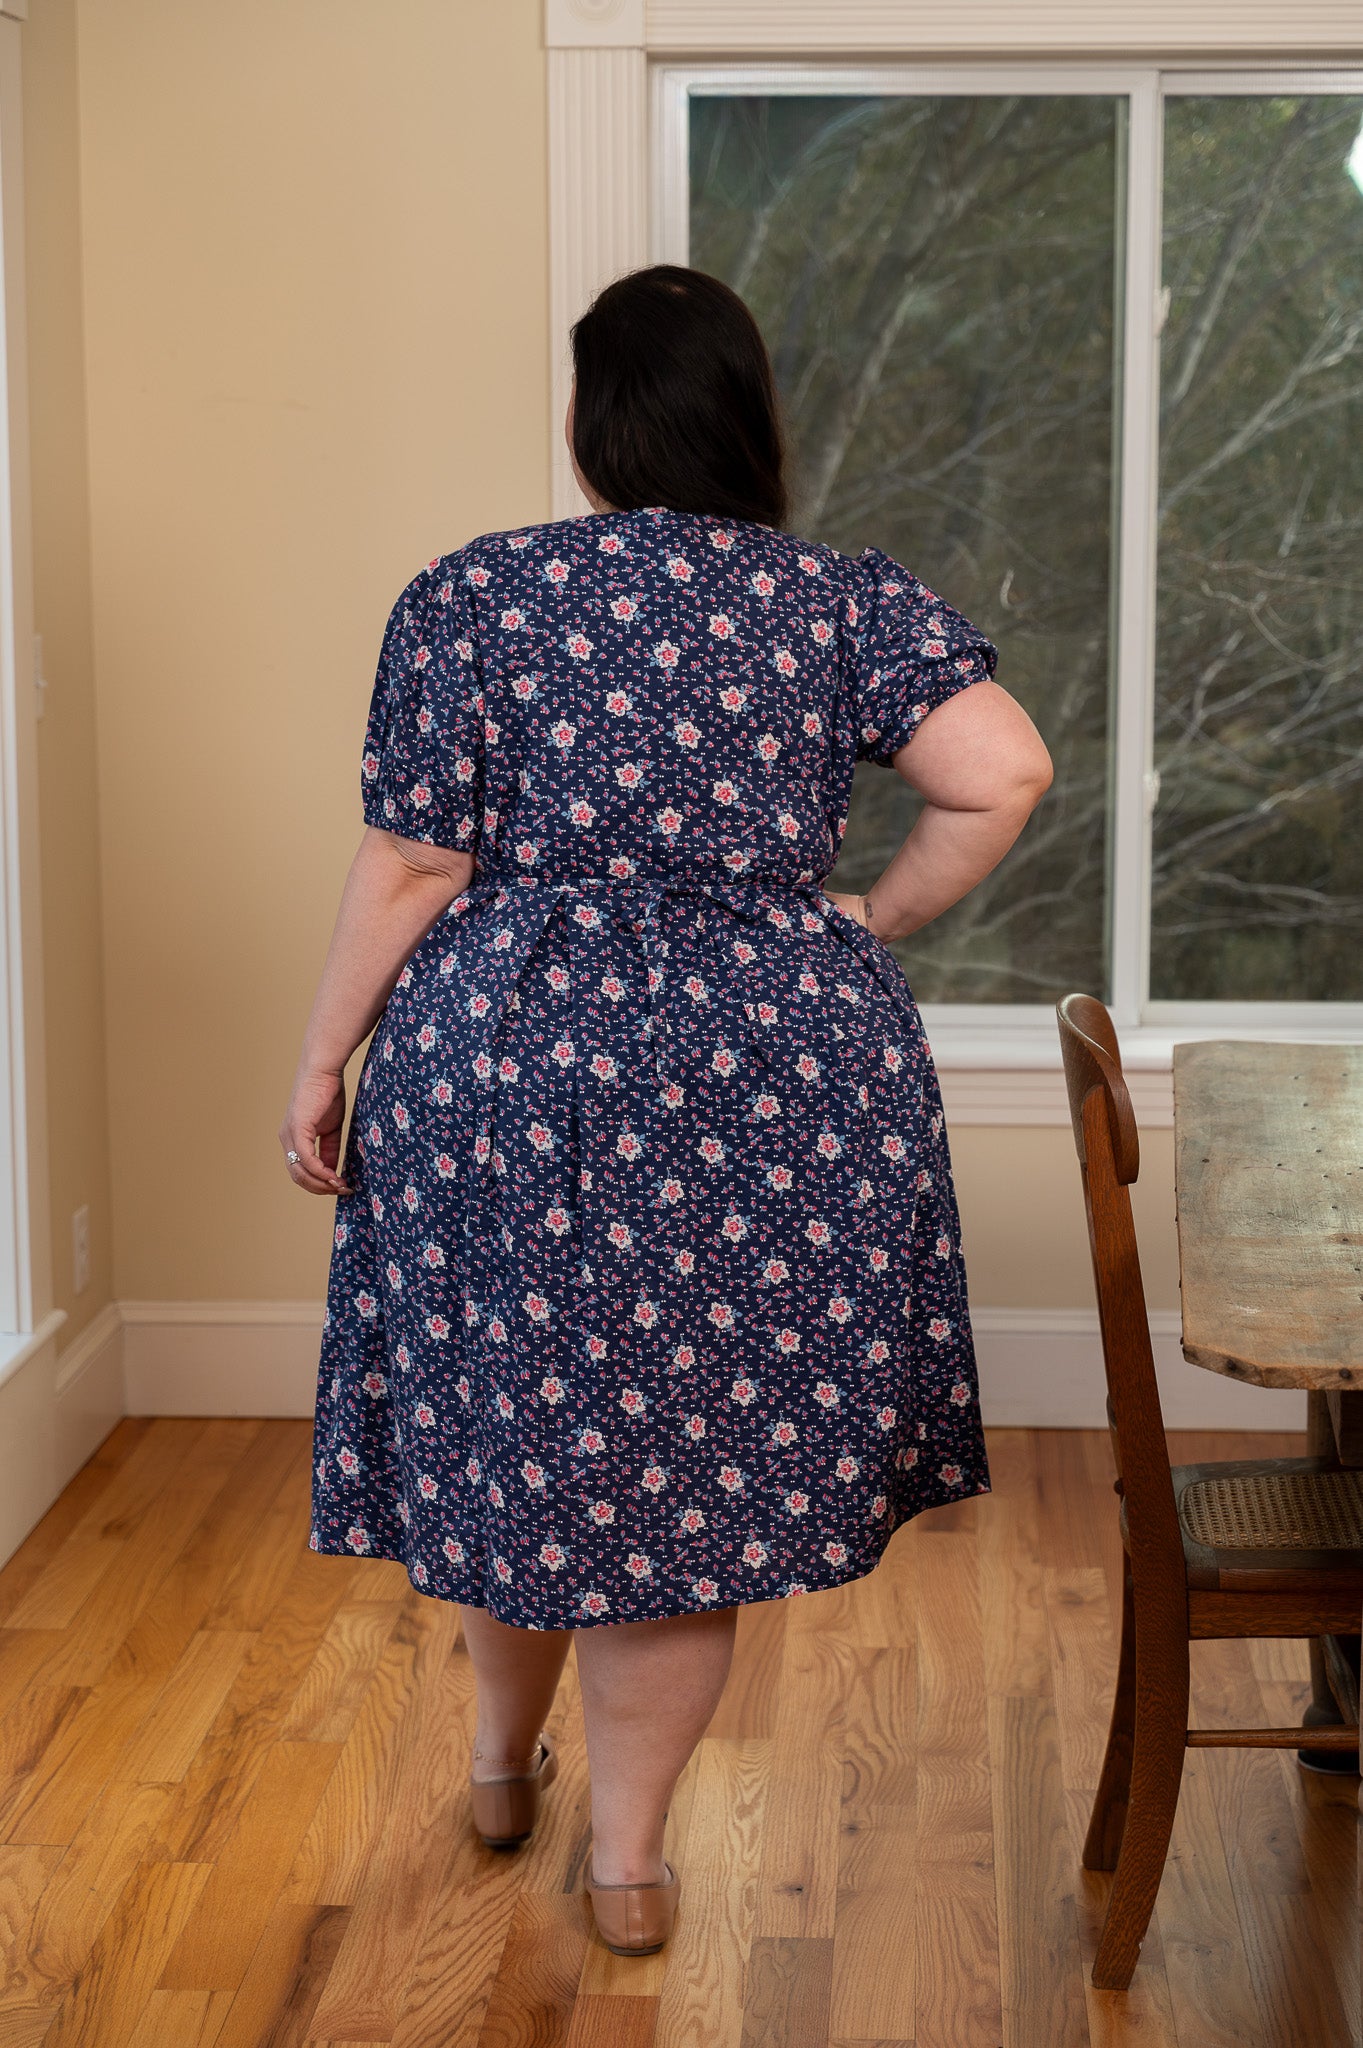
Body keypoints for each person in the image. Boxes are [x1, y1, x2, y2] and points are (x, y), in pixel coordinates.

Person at [279, 263, 1053, 1958]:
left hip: (512, 1065)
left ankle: (500, 1771)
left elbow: (414, 861)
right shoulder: (840, 600)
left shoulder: (476, 594)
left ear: (591, 422)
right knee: (684, 1477)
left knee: (519, 1434)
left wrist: (324, 1060)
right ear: (747, 419)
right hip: (765, 1075)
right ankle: (627, 1863)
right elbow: (1003, 773)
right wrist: (871, 918)